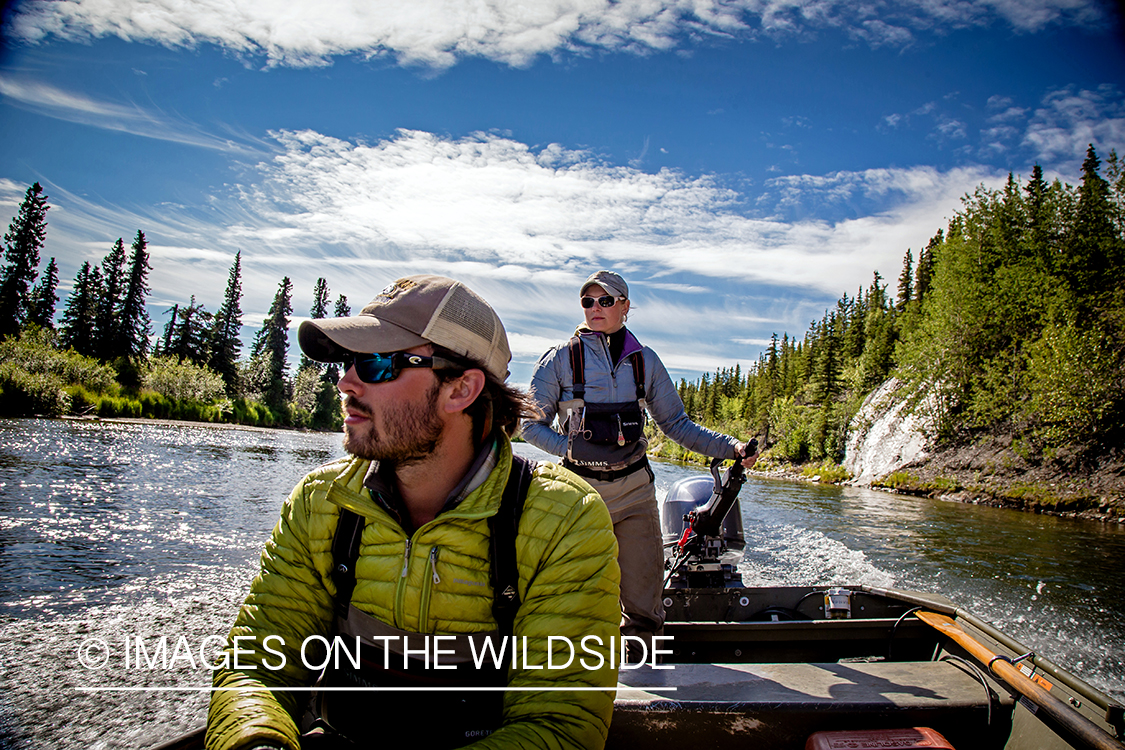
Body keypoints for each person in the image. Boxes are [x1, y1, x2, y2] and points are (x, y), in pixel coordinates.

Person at [206, 275, 621, 750]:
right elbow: (255, 663)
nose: (346, 381)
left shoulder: (564, 519)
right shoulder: (322, 501)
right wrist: (257, 742)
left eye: (377, 363)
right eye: (348, 362)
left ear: (460, 389)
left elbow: (559, 726)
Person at [521, 270, 756, 658]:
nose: (595, 308)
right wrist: (569, 450)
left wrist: (730, 447)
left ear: (625, 307)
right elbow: (530, 425)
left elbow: (677, 425)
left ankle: (645, 677)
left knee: (644, 605)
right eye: (588, 301)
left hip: (634, 491)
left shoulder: (646, 362)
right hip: (579, 494)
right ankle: (579, 675)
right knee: (576, 597)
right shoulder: (560, 359)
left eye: (606, 301)